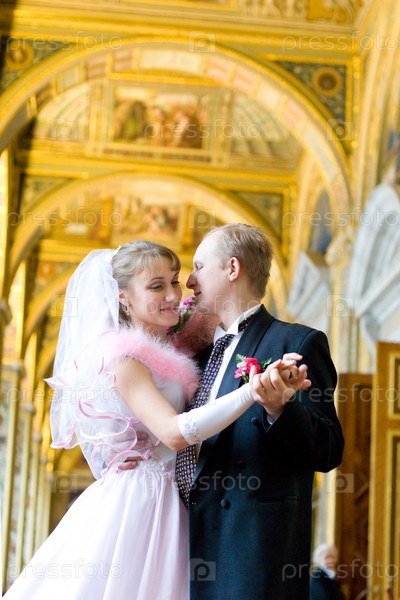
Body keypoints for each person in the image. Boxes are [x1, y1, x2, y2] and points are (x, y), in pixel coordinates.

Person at [3, 240, 309, 600]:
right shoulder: (125, 359)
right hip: (144, 498)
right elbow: (173, 433)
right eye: (156, 286)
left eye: (174, 280)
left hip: (183, 498)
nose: (173, 294)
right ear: (123, 297)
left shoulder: (177, 349)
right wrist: (251, 391)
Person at [175, 223, 344, 600]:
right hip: (179, 546)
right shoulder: (195, 356)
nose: (189, 281)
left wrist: (280, 410)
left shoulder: (297, 342)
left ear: (232, 269)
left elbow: (329, 449)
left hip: (249, 560)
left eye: (199, 267)